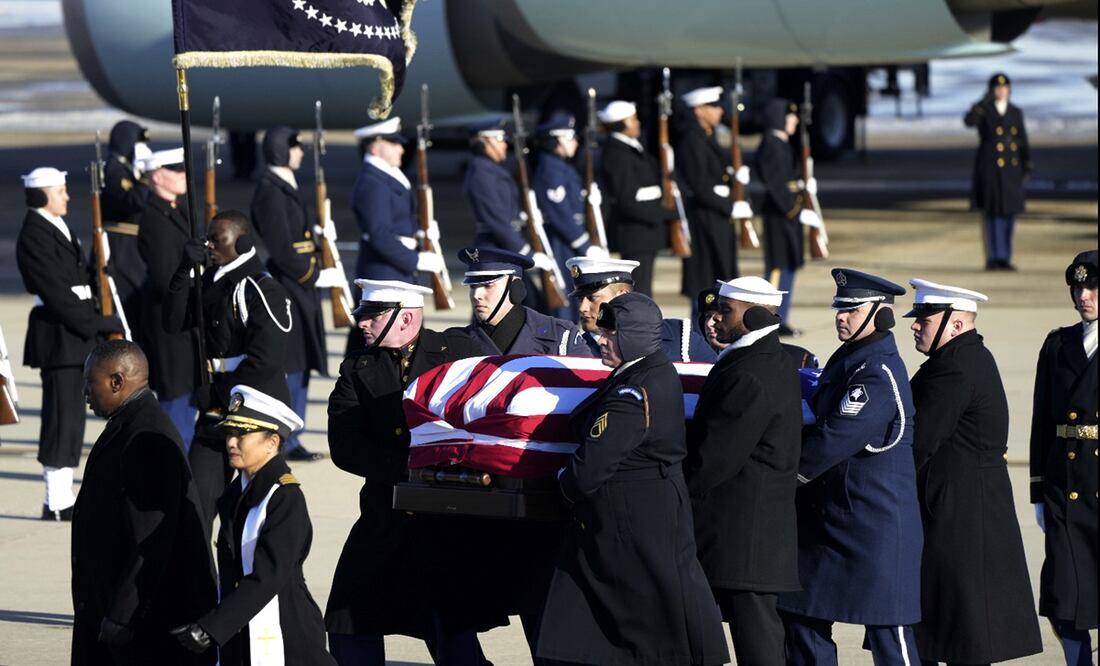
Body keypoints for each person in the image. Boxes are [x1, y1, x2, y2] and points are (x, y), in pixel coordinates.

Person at [536, 291, 729, 666]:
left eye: (612, 334)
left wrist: (563, 481)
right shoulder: (650, 371)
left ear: (635, 336)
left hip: (630, 525)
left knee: (645, 630)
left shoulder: (631, 393)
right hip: (644, 517)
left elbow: (591, 465)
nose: (603, 341)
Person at [325, 279, 490, 665]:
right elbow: (345, 446)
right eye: (362, 315)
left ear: (407, 317)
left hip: (447, 513)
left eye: (372, 315)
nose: (361, 324)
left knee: (448, 621)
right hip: (386, 508)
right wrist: (406, 467)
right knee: (350, 613)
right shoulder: (357, 367)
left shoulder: (458, 353)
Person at [778, 268, 923, 665]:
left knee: (889, 634)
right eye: (839, 309)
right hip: (833, 522)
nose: (841, 316)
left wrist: (779, 479)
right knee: (802, 616)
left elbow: (833, 439)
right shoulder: (852, 361)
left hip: (874, 527)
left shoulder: (876, 373)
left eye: (852, 310)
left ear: (881, 315)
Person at [904, 278, 1042, 666]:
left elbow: (918, 441)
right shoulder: (955, 360)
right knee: (953, 631)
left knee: (964, 634)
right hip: (957, 508)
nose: (915, 324)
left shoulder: (956, 368)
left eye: (925, 319)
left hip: (962, 515)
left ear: (957, 324)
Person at [73, 340, 216, 665]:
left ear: (116, 382)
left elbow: (151, 544)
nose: (84, 391)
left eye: (89, 382)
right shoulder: (131, 425)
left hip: (142, 626)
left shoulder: (146, 439)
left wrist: (122, 615)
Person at [684, 277, 802, 666]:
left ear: (753, 314)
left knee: (759, 646)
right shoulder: (761, 359)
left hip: (745, 541)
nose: (714, 317)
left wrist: (674, 490)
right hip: (741, 535)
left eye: (725, 309)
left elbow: (715, 457)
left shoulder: (750, 372)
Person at [170, 385, 333, 665]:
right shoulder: (238, 492)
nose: (232, 442)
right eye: (230, 433)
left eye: (242, 434)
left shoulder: (285, 497)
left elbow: (268, 576)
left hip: (287, 634)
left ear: (272, 442)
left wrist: (212, 626)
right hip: (240, 630)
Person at [162, 210, 293, 521]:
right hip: (215, 409)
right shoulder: (212, 281)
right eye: (206, 240)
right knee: (195, 503)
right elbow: (173, 322)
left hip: (254, 411)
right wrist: (184, 270)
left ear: (242, 241)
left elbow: (267, 360)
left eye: (217, 240)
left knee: (255, 507)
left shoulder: (260, 288)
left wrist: (220, 391)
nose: (209, 246)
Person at [16, 167, 124, 520]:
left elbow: (79, 278)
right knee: (61, 417)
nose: (67, 196)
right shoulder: (33, 234)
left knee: (74, 417)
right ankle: (56, 498)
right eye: (60, 191)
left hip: (75, 333)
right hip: (61, 335)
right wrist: (97, 323)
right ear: (42, 194)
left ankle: (62, 496)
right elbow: (56, 293)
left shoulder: (54, 226)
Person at [252, 126, 340, 461]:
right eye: (295, 147)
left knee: (301, 363)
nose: (301, 152)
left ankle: (294, 434)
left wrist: (319, 238)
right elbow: (281, 247)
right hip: (291, 284)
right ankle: (286, 436)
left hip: (300, 283)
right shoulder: (270, 190)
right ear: (279, 150)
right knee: (292, 364)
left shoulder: (283, 184)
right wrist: (314, 274)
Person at [1029, 250, 1097, 666]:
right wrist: (1039, 489)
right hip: (1065, 485)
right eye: (1078, 287)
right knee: (1065, 593)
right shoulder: (1058, 344)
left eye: (1092, 287)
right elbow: (1041, 422)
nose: (1083, 295)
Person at [135, 147, 201, 447]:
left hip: (185, 320)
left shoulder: (176, 209)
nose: (184, 175)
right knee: (176, 400)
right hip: (169, 323)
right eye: (176, 171)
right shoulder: (154, 218)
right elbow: (165, 276)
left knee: (188, 399)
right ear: (157, 176)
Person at [462, 118, 556, 303]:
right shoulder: (482, 173)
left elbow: (505, 211)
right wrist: (526, 252)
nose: (504, 144)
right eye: (499, 138)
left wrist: (524, 215)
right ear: (484, 141)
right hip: (496, 248)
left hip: (504, 248)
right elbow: (496, 220)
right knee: (499, 307)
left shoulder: (490, 170)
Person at [754, 98, 822, 336]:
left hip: (789, 215)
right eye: (789, 116)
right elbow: (777, 185)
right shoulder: (772, 145)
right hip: (780, 215)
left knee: (789, 265)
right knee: (778, 267)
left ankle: (780, 317)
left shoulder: (780, 144)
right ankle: (769, 317)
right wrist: (796, 207)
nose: (794, 120)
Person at [567, 256, 715, 362]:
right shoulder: (572, 349)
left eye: (592, 298)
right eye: (580, 299)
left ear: (621, 297)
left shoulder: (677, 336)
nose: (582, 308)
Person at [597, 100, 677, 296]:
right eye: (632, 119)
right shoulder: (617, 154)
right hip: (636, 234)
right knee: (639, 291)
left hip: (645, 234)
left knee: (644, 288)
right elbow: (627, 200)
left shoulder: (630, 148)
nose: (637, 122)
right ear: (621, 123)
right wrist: (665, 214)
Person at [532, 113, 607, 319]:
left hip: (570, 240)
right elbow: (560, 214)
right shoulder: (550, 169)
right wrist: (584, 244)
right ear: (556, 140)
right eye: (569, 137)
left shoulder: (561, 166)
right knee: (565, 296)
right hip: (562, 241)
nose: (575, 142)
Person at [351, 116, 444, 283]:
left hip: (396, 270)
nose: (401, 149)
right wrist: (415, 260)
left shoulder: (385, 177)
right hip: (385, 274)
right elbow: (379, 234)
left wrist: (419, 231)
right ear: (375, 148)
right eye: (394, 144)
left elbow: (399, 219)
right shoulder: (373, 183)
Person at [458, 246, 592, 356]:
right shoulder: (455, 343)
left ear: (515, 288)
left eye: (488, 285)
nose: (476, 295)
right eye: (473, 287)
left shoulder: (560, 336)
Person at [677, 86, 743, 300]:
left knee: (722, 282)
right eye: (713, 107)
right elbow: (700, 186)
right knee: (706, 285)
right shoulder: (692, 141)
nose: (719, 111)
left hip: (717, 218)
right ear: (699, 110)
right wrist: (730, 205)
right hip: (704, 222)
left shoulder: (708, 137)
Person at [964, 73, 1031, 271]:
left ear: (1009, 90)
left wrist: (1027, 163)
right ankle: (994, 257)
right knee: (992, 214)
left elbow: (1023, 139)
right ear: (991, 91)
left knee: (1009, 214)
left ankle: (1005, 257)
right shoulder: (985, 110)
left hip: (1011, 169)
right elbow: (969, 121)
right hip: (990, 168)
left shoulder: (1015, 111)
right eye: (997, 88)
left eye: (1004, 88)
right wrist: (981, 104)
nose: (1001, 91)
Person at [100, 120, 151, 321]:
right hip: (120, 245)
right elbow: (135, 200)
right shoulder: (114, 170)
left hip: (131, 244)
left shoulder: (124, 168)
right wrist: (146, 175)